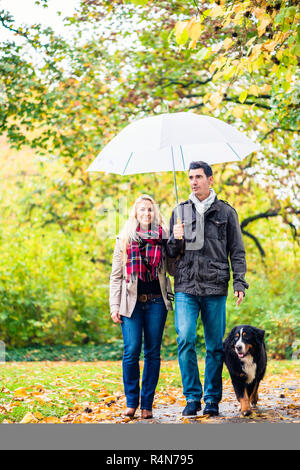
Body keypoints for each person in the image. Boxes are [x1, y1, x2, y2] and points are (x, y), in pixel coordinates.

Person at [167, 161, 248, 417]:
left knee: (215, 346)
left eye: (199, 177)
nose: (193, 181)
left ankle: (212, 399)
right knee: (185, 337)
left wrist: (239, 282)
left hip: (215, 286)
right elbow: (170, 255)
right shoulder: (179, 212)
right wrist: (174, 238)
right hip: (186, 287)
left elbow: (237, 250)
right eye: (190, 177)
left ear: (210, 180)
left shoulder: (226, 213)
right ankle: (192, 398)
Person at [109, 194, 173, 419]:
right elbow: (116, 276)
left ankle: (147, 404)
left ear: (155, 213)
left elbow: (173, 269)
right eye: (142, 209)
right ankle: (131, 401)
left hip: (157, 301)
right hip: (130, 304)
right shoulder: (124, 239)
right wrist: (114, 306)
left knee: (153, 353)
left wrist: (178, 242)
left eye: (150, 209)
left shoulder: (165, 237)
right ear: (135, 213)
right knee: (131, 351)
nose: (147, 213)